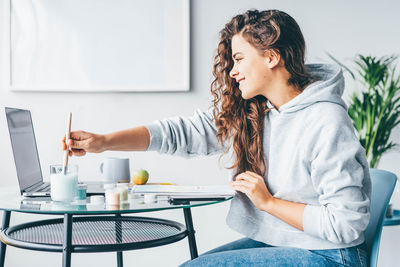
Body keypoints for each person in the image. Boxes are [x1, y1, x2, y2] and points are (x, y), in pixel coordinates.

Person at [62, 9, 370, 267]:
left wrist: (268, 203)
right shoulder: (260, 111)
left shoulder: (326, 121)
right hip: (286, 243)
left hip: (331, 256)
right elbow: (180, 132)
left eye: (239, 58)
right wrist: (103, 142)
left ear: (272, 57)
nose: (233, 72)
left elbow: (345, 225)